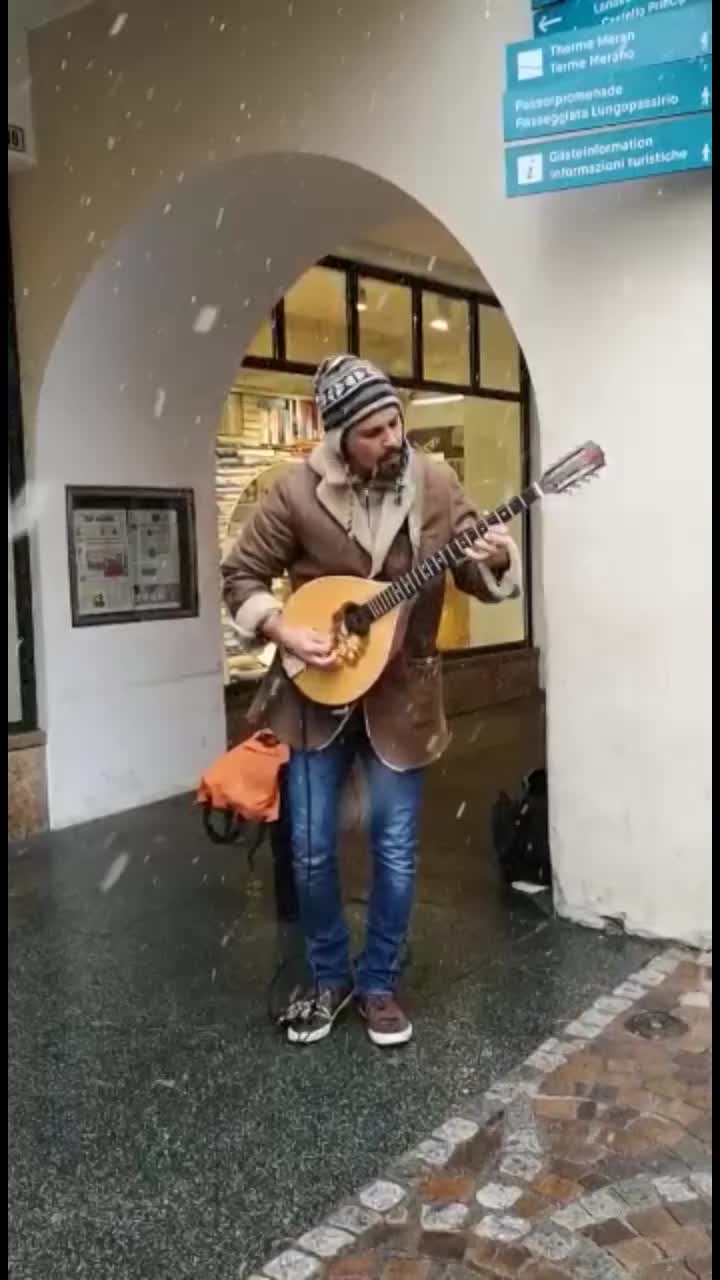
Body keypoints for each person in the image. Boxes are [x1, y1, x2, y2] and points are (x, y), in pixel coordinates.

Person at [222, 354, 521, 1047]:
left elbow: (476, 573)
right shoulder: (296, 494)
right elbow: (240, 575)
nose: (394, 440)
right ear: (338, 435)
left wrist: (498, 558)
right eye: (375, 431)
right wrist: (283, 626)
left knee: (394, 851)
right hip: (315, 697)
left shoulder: (437, 484)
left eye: (396, 424)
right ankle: (330, 977)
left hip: (402, 693)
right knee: (312, 852)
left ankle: (379, 981)